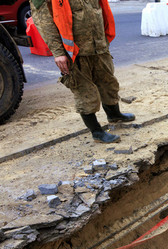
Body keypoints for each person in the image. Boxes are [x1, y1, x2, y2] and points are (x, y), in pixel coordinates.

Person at [30, 0, 134, 143]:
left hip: (99, 46)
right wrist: (58, 52)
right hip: (75, 52)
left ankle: (114, 114)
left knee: (109, 83)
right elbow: (44, 22)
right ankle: (96, 131)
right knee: (85, 93)